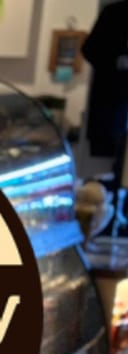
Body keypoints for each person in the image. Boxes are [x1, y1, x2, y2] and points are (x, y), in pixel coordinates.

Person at [82, 1, 128, 204]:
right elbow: (90, 50)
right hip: (115, 101)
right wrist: (118, 61)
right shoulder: (115, 13)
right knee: (114, 159)